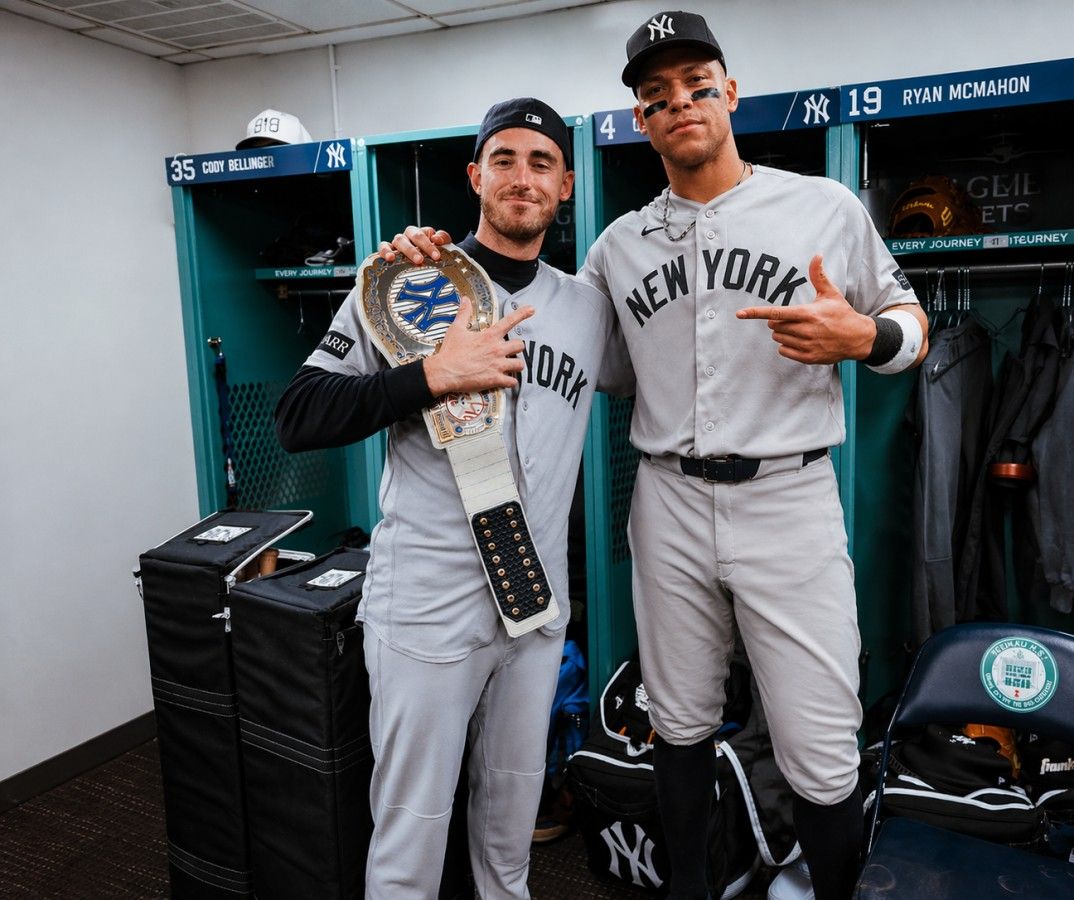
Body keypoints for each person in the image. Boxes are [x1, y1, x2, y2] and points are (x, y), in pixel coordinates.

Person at [383, 12, 928, 898]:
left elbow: (912, 326)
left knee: (821, 744)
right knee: (675, 721)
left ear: (730, 94)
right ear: (641, 120)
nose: (681, 104)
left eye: (697, 86)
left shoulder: (823, 207)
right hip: (667, 496)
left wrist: (865, 337)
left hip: (787, 495)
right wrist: (420, 268)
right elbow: (544, 332)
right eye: (657, 95)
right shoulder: (618, 247)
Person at [276, 96, 630, 900]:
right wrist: (427, 376)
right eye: (504, 159)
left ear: (566, 184)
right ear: (475, 177)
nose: (522, 177)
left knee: (510, 830)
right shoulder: (408, 280)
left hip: (533, 608)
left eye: (541, 162)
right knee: (412, 831)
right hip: (429, 604)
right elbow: (298, 415)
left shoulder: (587, 308)